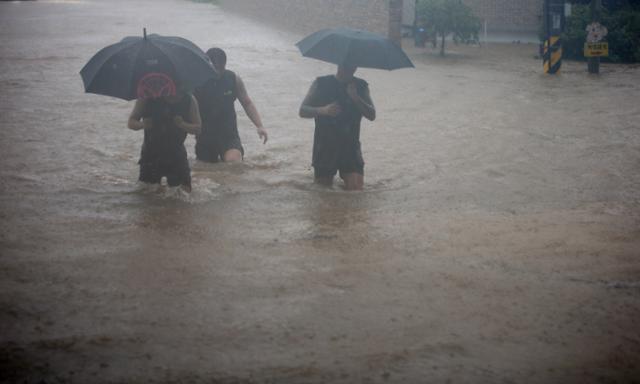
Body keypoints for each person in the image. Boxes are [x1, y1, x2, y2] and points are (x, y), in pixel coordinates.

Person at [299, 65, 376, 191]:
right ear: (338, 63)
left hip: (350, 145)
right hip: (325, 145)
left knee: (356, 190)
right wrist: (323, 110)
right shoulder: (321, 83)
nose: (349, 68)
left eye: (352, 64)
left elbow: (372, 115)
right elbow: (302, 110)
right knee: (323, 191)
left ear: (356, 67)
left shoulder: (361, 86)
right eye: (346, 64)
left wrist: (356, 98)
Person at [194, 48, 268, 163]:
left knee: (234, 163)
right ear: (206, 64)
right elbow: (187, 106)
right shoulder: (196, 81)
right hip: (205, 135)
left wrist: (260, 126)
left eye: (220, 69)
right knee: (206, 171)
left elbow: (247, 103)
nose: (217, 73)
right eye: (214, 69)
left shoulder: (233, 79)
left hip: (229, 133)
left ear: (225, 64)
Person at [128, 92, 201, 192]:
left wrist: (182, 124)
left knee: (185, 192)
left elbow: (198, 128)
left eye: (179, 90)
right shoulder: (147, 97)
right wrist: (142, 124)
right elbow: (131, 122)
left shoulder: (189, 99)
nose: (176, 94)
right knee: (146, 195)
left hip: (176, 154)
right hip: (151, 154)